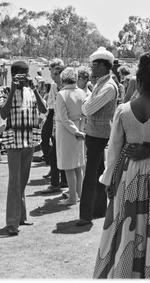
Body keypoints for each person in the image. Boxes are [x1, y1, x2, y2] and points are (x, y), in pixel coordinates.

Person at [93, 52, 150, 278]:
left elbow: (113, 151)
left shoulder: (123, 111)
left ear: (139, 81)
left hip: (128, 174)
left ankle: (123, 271)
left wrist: (108, 181)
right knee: (149, 227)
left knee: (126, 224)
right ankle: (148, 273)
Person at [0, 61, 47, 236]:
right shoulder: (4, 91)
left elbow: (44, 109)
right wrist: (12, 91)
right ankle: (12, 222)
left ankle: (21, 216)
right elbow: (3, 114)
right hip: (13, 143)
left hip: (29, 141)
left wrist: (34, 89)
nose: (24, 78)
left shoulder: (31, 91)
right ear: (13, 75)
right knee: (14, 183)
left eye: (26, 74)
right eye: (21, 75)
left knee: (23, 181)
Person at [76, 47, 118, 227]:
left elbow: (88, 108)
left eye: (94, 65)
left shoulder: (108, 87)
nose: (91, 68)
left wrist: (86, 102)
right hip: (96, 132)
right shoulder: (102, 84)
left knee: (91, 174)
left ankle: (85, 215)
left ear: (102, 66)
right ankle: (99, 209)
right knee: (99, 170)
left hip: (98, 133)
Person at [55, 67, 87, 205]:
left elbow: (63, 118)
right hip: (79, 128)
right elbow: (85, 114)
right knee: (78, 165)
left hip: (66, 131)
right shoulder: (81, 92)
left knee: (69, 166)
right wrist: (80, 130)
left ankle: (73, 197)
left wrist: (75, 131)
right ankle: (79, 194)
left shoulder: (62, 94)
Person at [40, 59, 68, 193]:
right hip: (57, 121)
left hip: (63, 124)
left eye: (56, 73)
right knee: (56, 153)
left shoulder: (65, 89)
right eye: (52, 72)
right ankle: (61, 181)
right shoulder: (56, 86)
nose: (53, 75)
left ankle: (58, 183)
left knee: (56, 154)